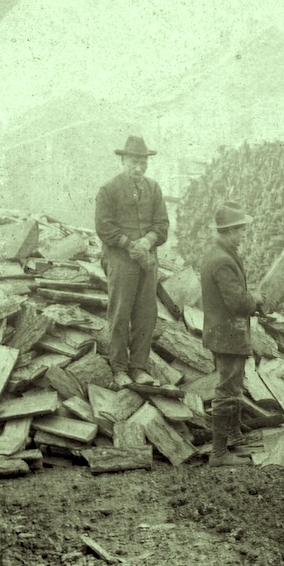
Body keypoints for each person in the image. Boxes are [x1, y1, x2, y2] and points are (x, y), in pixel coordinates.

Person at [94, 135, 169, 388]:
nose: (139, 167)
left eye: (143, 162)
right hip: (120, 260)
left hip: (148, 259)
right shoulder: (109, 190)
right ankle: (119, 369)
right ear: (123, 160)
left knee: (146, 314)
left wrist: (147, 241)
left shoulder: (154, 189)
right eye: (134, 162)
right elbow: (104, 228)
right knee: (120, 312)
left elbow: (162, 225)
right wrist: (129, 245)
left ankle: (138, 368)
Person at [200, 201, 265, 467]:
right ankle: (218, 454)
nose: (243, 235)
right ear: (227, 231)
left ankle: (233, 436)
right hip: (228, 335)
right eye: (240, 230)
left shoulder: (219, 252)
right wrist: (256, 299)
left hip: (225, 333)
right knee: (227, 390)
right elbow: (237, 302)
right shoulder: (222, 260)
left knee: (233, 386)